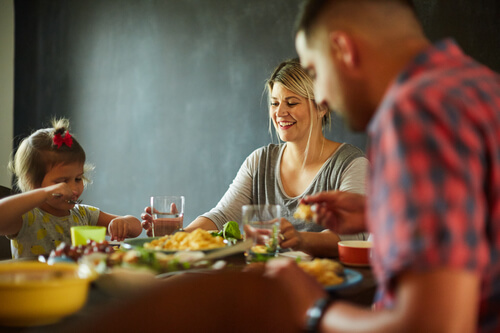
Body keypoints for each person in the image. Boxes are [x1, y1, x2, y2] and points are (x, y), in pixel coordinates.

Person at [262, 0, 500, 331]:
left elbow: (433, 326)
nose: (324, 99)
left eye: (315, 73)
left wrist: (312, 309)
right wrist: (382, 214)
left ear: (343, 49)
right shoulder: (481, 85)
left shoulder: (414, 113)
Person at [142, 58, 369, 258]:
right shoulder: (259, 161)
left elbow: (351, 236)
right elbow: (221, 216)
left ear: (322, 107)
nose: (279, 113)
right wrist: (174, 240)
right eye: (275, 103)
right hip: (264, 282)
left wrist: (300, 239)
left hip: (324, 287)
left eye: (291, 103)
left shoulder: (351, 164)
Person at [0, 118, 142, 259]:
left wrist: (123, 223)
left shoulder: (83, 215)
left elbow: (136, 229)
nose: (73, 188)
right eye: (62, 181)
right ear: (32, 183)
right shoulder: (28, 218)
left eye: (78, 179)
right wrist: (45, 194)